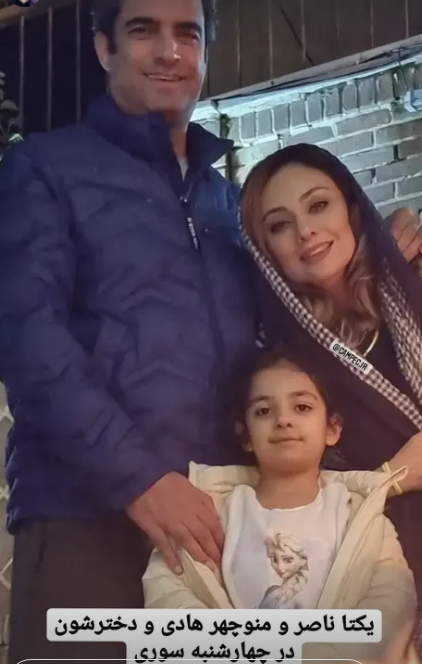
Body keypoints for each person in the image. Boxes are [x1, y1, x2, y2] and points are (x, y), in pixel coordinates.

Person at [0, 0, 420, 659]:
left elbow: (283, 338)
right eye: (144, 30)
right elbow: (28, 339)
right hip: (88, 516)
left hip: (218, 532)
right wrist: (139, 480)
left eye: (187, 34)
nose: (169, 51)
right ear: (105, 47)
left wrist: (380, 253)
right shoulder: (45, 170)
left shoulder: (224, 204)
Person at [239, 142, 422, 629]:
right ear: (265, 252)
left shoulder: (413, 280)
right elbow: (302, 495)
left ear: (352, 210)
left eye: (318, 205)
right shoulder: (286, 368)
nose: (306, 231)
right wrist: (392, 476)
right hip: (392, 570)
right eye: (279, 225)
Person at [143, 348, 418, 664]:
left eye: (302, 407)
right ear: (245, 436)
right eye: (263, 411)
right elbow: (167, 592)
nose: (283, 420)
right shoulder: (210, 511)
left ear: (332, 429)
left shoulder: (361, 516)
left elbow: (393, 601)